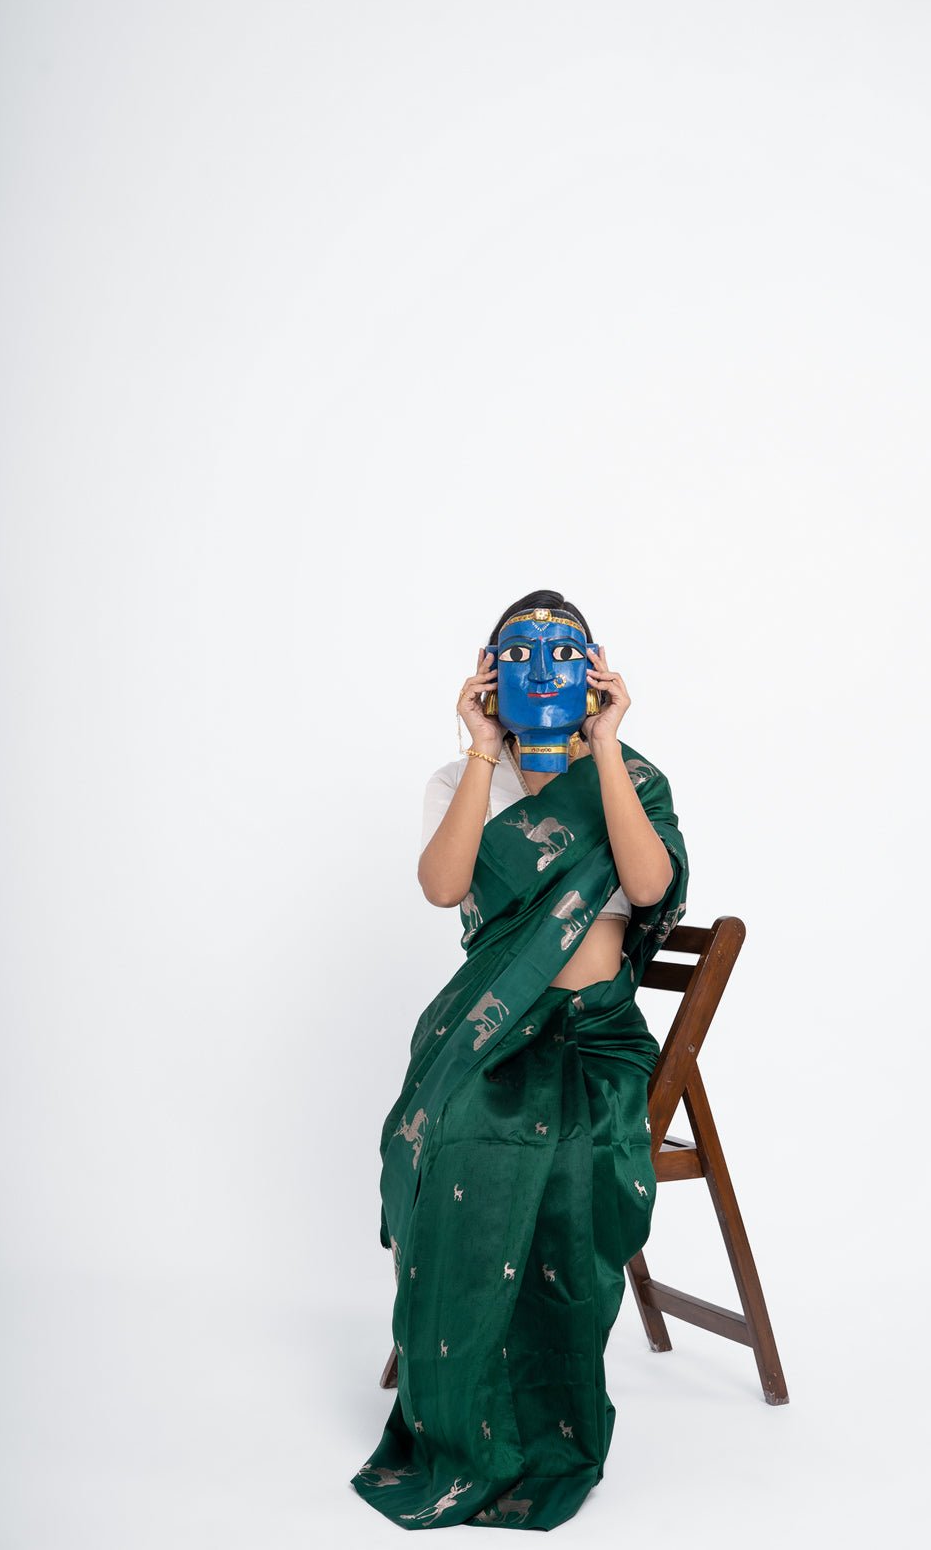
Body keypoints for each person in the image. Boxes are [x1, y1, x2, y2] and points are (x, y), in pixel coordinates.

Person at [351, 589, 690, 1532]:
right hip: (490, 1031)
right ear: (488, 672)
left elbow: (650, 885)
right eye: (519, 653)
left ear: (596, 670)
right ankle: (460, 1414)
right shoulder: (460, 777)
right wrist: (479, 750)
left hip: (596, 1037)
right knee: (456, 1137)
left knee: (571, 1165)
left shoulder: (632, 779)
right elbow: (443, 888)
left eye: (564, 653)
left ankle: (548, 1419)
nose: (542, 670)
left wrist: (606, 745)